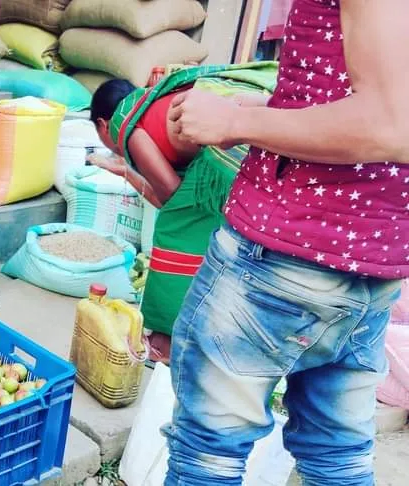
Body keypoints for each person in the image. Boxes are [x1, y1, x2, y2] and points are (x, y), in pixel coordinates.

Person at [162, 1, 409, 484]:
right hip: (371, 268)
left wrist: (235, 125)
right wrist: (271, 109)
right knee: (337, 455)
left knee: (208, 456)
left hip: (280, 255)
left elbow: (386, 125)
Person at [88, 63, 277, 363]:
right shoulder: (154, 101)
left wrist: (128, 172)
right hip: (256, 147)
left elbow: (172, 198)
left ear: (102, 125)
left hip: (230, 153)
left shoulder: (128, 126)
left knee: (175, 230)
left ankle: (166, 339)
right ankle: (209, 330)